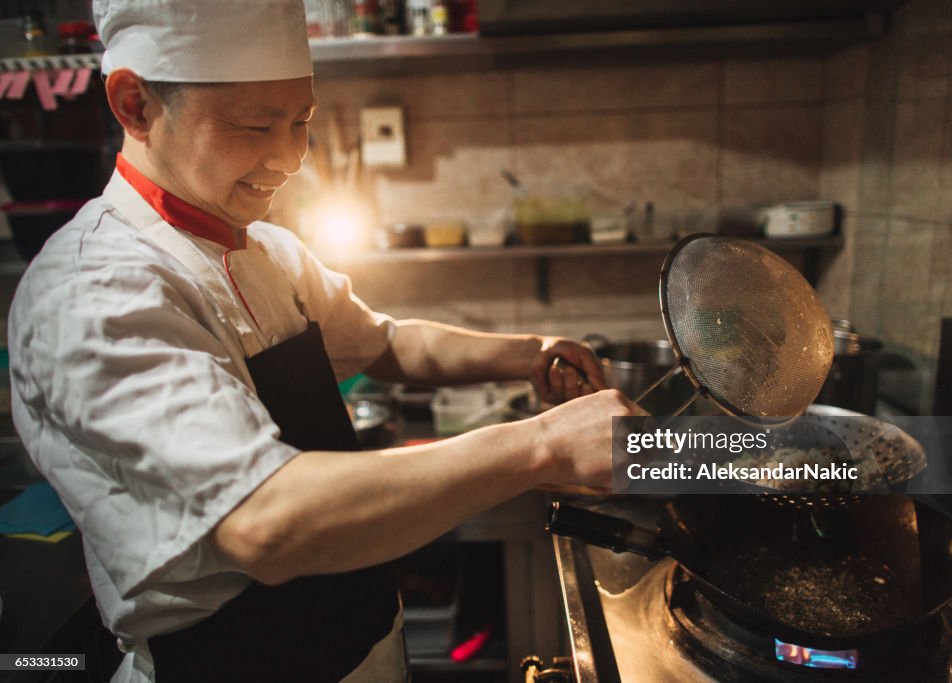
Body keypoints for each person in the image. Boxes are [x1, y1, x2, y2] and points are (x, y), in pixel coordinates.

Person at [7, 1, 642, 681]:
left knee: (756, 460)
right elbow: (265, 520)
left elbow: (390, 344)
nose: (291, 157)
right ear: (134, 103)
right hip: (231, 668)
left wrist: (529, 351)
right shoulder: (93, 292)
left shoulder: (266, 250)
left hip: (362, 650)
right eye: (256, 125)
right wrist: (543, 442)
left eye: (302, 120)